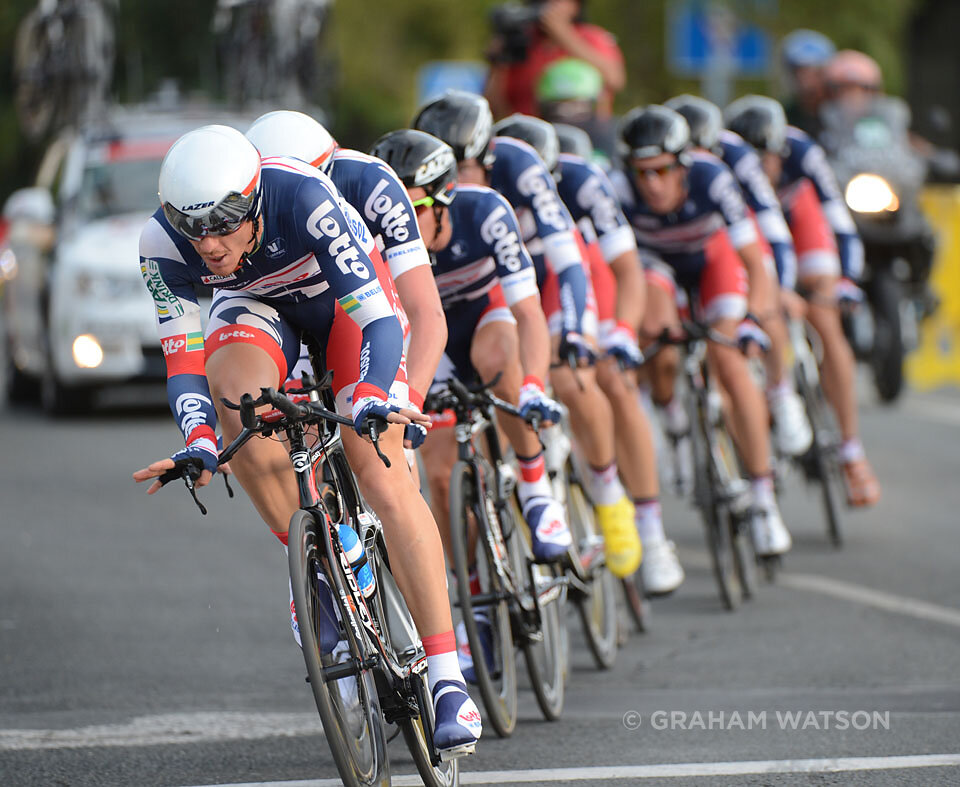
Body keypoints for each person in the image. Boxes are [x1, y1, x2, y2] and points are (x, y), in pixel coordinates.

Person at [132, 125, 481, 756]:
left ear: (254, 199)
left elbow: (378, 317)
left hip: (344, 307)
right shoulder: (160, 243)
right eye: (192, 227)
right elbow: (182, 356)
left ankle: (446, 677)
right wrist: (199, 439)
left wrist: (371, 394)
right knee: (236, 401)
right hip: (255, 310)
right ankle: (318, 569)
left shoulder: (303, 197)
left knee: (380, 471)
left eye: (225, 223)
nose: (208, 243)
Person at [413, 90, 642, 578]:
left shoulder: (518, 169)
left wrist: (575, 332)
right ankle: (478, 589)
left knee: (571, 376)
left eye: (462, 170)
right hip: (471, 294)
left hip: (540, 282)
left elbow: (570, 263)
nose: (451, 185)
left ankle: (605, 496)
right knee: (443, 461)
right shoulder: (420, 201)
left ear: (487, 158)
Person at [370, 128, 573, 676]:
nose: (399, 224)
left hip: (487, 320)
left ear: (445, 200)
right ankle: (474, 598)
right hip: (430, 343)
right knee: (439, 478)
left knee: (501, 361)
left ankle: (535, 489)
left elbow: (529, 313)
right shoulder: (377, 235)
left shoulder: (486, 211)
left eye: (415, 210)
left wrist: (533, 385)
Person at [493, 113, 684, 594]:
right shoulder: (483, 192)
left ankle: (625, 506)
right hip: (509, 289)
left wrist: (620, 333)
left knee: (594, 377)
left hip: (574, 275)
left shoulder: (581, 182)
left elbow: (624, 269)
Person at [610, 106, 792, 557]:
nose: (652, 183)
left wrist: (753, 318)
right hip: (656, 267)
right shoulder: (617, 191)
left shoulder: (712, 178)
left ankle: (763, 498)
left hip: (713, 261)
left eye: (662, 171)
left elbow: (755, 261)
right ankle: (674, 423)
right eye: (642, 172)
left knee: (728, 359)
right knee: (655, 334)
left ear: (682, 165)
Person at [244, 110, 447, 453]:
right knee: (289, 433)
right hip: (297, 303)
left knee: (385, 446)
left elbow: (426, 311)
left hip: (364, 291)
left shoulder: (372, 184)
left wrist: (412, 402)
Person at [725, 95, 880, 507]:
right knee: (757, 309)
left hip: (800, 222)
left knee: (825, 318)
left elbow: (839, 219)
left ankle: (851, 452)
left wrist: (846, 279)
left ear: (781, 151)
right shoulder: (728, 167)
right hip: (756, 233)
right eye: (752, 160)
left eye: (768, 158)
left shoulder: (803, 152)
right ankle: (772, 404)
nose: (762, 169)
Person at [665, 94, 813, 459]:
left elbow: (770, 225)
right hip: (687, 249)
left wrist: (783, 287)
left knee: (768, 297)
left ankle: (781, 392)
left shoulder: (736, 159)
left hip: (740, 236)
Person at [484, 0, 625, 120]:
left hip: (586, 134)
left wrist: (563, 34)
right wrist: (497, 63)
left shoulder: (592, 38)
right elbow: (493, 109)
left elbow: (615, 79)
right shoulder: (522, 43)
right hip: (529, 135)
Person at [780, 29, 836, 139]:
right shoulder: (784, 114)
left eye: (814, 73)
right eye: (799, 72)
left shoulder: (840, 112)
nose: (806, 80)